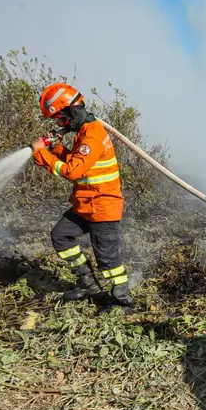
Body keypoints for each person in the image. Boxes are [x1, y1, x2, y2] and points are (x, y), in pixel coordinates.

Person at [30, 83, 133, 308]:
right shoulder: (85, 133)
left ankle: (122, 302)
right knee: (61, 235)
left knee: (108, 260)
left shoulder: (93, 135)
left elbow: (73, 171)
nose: (58, 124)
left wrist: (40, 154)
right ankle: (88, 283)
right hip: (86, 204)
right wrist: (56, 149)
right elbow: (78, 163)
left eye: (58, 118)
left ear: (70, 111)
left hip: (103, 206)